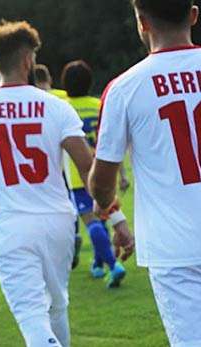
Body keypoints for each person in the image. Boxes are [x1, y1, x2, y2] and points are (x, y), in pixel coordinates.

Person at [0, 20, 95, 347]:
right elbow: (87, 166)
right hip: (59, 220)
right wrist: (114, 216)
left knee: (32, 316)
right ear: (29, 61)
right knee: (58, 305)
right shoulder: (55, 106)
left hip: (9, 222)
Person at [90, 1, 200, 345]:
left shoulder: (124, 88)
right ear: (193, 15)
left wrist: (106, 205)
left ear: (141, 22)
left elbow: (103, 181)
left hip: (174, 246)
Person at [61, 60, 130, 287]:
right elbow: (112, 139)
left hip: (77, 175)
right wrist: (121, 174)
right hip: (104, 170)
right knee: (105, 217)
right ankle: (98, 264)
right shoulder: (99, 103)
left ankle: (113, 264)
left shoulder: (63, 106)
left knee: (92, 222)